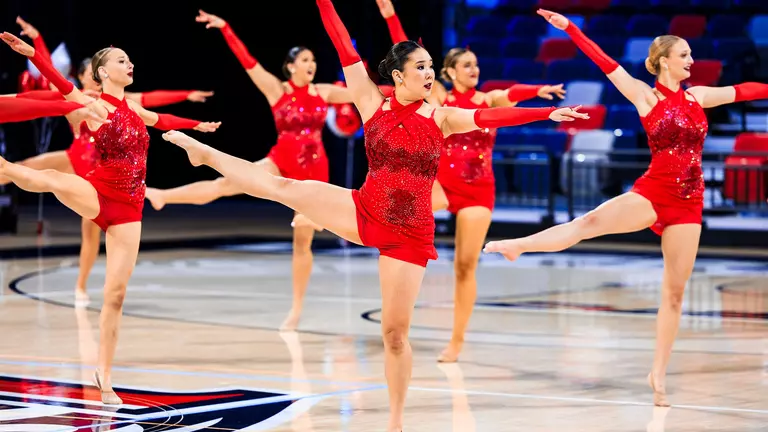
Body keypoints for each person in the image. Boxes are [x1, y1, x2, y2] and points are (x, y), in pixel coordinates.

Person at [156, 1, 586, 429]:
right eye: (420, 67)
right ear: (397, 76)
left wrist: (545, 112)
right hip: (364, 209)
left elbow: (490, 114)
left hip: (410, 233)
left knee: (395, 336)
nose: (429, 72)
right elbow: (343, 44)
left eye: (431, 66)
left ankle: (395, 422)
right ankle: (205, 153)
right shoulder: (368, 100)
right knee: (283, 188)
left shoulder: (443, 117)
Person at [484, 9, 768, 406]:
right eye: (684, 55)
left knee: (674, 293)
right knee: (590, 221)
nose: (691, 61)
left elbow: (746, 90)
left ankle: (659, 373)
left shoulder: (698, 96)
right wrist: (570, 29)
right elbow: (603, 60)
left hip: (690, 202)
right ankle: (520, 244)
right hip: (654, 192)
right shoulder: (643, 94)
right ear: (664, 61)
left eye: (691, 55)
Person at [1, 32, 221, 404]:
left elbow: (162, 117)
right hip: (100, 192)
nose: (129, 64)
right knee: (52, 179)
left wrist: (194, 125)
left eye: (129, 59)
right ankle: (3, 167)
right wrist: (35, 55)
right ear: (102, 72)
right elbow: (61, 84)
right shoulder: (93, 104)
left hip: (130, 209)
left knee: (116, 295)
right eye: (121, 60)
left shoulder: (134, 108)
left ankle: (104, 377)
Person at [143, 9, 386, 331]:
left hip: (314, 169)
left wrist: (404, 86)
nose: (311, 65)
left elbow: (366, 92)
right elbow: (248, 62)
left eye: (313, 60)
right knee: (225, 183)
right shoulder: (277, 90)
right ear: (290, 66)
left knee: (303, 242)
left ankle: (297, 308)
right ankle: (163, 196)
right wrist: (226, 27)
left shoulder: (323, 92)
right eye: (305, 61)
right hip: (279, 158)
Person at [375, 0, 566, 363]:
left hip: (479, 190)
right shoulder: (442, 98)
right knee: (392, 206)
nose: (474, 69)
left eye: (476, 64)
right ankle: (351, 220)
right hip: (442, 186)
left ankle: (457, 341)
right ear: (448, 72)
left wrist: (538, 91)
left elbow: (510, 97)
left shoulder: (487, 97)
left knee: (465, 265)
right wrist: (390, 16)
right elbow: (408, 58)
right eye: (466, 65)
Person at [8, 16, 214, 305]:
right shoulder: (81, 99)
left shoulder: (125, 102)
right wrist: (36, 47)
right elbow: (56, 79)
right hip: (78, 157)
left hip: (100, 166)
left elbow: (156, 107)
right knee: (30, 170)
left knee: (89, 232)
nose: (86, 79)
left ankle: (82, 286)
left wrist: (191, 110)